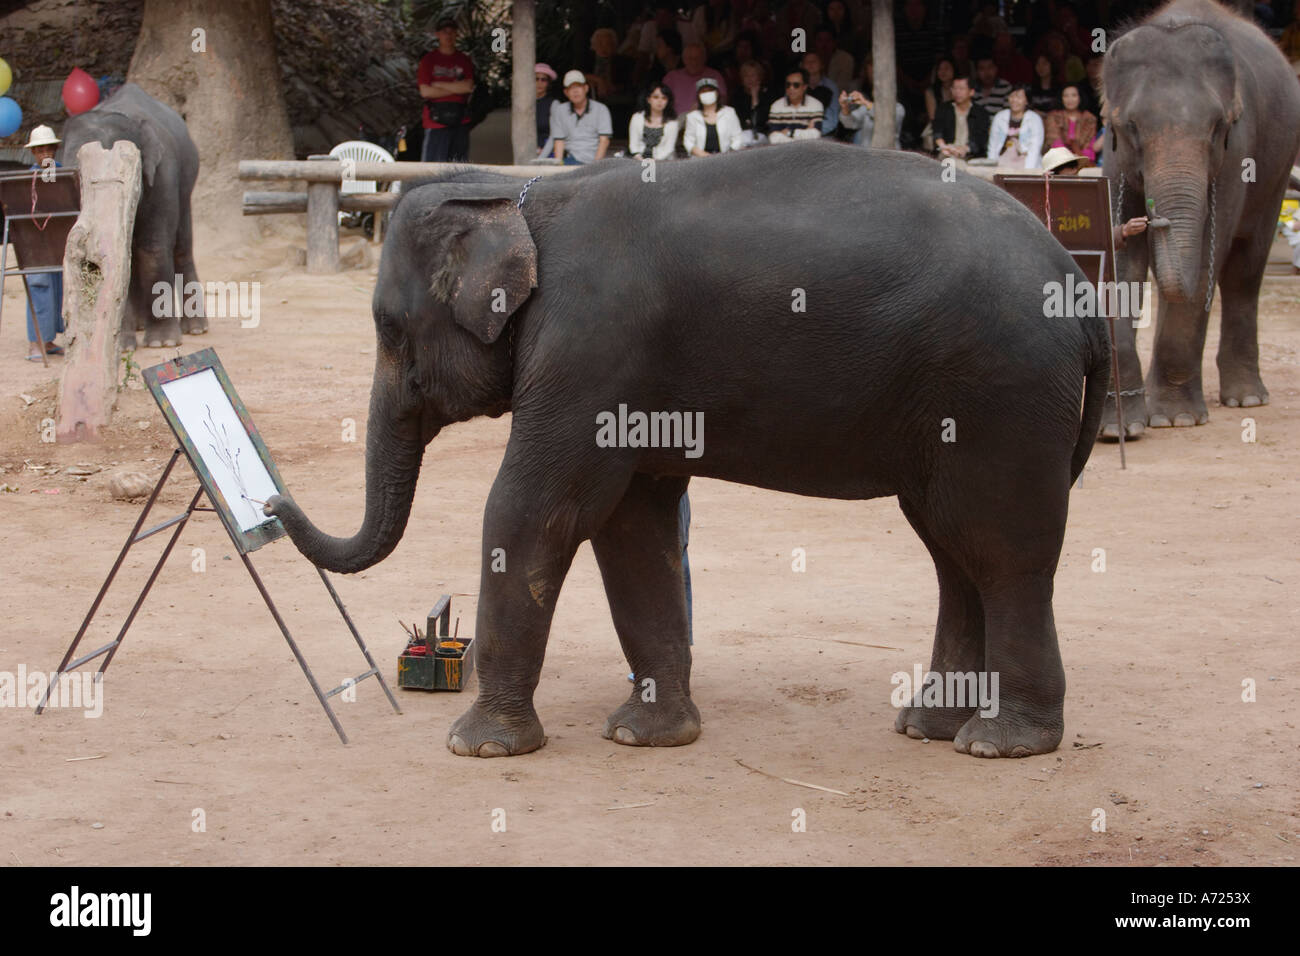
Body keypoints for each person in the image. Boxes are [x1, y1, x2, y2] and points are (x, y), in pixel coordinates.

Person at [21, 125, 65, 361]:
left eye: (49, 149)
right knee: (39, 286)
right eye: (40, 150)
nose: (45, 154)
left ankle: (48, 340)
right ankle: (35, 342)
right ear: (33, 153)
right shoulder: (26, 178)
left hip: (57, 239)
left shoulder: (63, 173)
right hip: (36, 242)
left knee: (57, 287)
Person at [417, 16, 475, 162]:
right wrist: (457, 88)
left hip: (460, 119)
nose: (448, 35)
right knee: (431, 169)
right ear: (437, 34)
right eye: (444, 31)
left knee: (458, 168)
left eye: (451, 31)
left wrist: (438, 84)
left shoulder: (464, 60)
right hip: (435, 121)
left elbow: (468, 87)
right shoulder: (428, 60)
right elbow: (425, 91)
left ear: (456, 34)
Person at [550, 70, 612, 165]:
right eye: (571, 88)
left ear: (586, 88)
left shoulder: (601, 109)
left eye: (578, 86)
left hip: (594, 160)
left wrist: (595, 167)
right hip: (570, 159)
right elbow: (559, 141)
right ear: (566, 92)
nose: (575, 91)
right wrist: (558, 166)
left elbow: (604, 141)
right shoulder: (560, 110)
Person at [664, 42, 727, 123]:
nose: (694, 62)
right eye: (690, 58)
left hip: (705, 121)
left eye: (698, 58)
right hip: (676, 122)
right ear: (684, 59)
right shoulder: (672, 77)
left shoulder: (714, 75)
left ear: (704, 59)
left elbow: (723, 100)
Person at [933, 75, 989, 160]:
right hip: (947, 152)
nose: (957, 92)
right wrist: (944, 147)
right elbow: (937, 132)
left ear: (971, 92)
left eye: (961, 89)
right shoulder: (943, 109)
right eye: (954, 88)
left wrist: (965, 149)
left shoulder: (981, 112)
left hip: (971, 155)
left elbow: (981, 138)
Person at [987, 85, 1044, 169]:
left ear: (1027, 101)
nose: (1014, 100)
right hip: (1001, 163)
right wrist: (991, 168)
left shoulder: (1034, 119)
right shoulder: (999, 117)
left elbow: (1035, 148)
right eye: (1012, 96)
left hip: (1026, 163)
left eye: (1019, 97)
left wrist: (1028, 172)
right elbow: (993, 144)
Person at [683, 76, 743, 154]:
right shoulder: (692, 117)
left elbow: (738, 137)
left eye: (710, 90)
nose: (707, 93)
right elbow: (688, 141)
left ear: (717, 93)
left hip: (727, 157)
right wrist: (702, 155)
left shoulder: (729, 112)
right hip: (701, 160)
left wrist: (729, 153)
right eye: (703, 91)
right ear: (698, 95)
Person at [766, 67, 824, 144]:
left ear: (804, 87)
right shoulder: (776, 106)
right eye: (788, 85)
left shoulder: (816, 105)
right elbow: (773, 138)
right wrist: (804, 133)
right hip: (783, 151)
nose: (791, 88)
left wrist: (789, 133)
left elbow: (816, 135)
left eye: (796, 85)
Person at [838, 83, 906, 149]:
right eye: (876, 89)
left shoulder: (898, 108)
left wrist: (865, 102)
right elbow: (849, 123)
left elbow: (885, 119)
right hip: (867, 154)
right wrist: (845, 107)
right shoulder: (867, 107)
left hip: (889, 155)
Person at [1044, 83, 1097, 166]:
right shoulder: (1054, 117)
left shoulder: (1089, 118)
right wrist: (1069, 158)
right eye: (1066, 96)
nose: (1070, 99)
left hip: (1084, 163)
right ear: (1061, 98)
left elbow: (1089, 146)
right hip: (1059, 163)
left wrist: (1079, 158)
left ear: (1080, 98)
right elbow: (1054, 141)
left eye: (1074, 95)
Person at [629, 83, 680, 160]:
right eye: (656, 97)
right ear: (648, 99)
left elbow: (669, 148)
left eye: (664, 98)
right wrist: (638, 157)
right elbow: (633, 143)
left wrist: (654, 161)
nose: (660, 101)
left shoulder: (673, 122)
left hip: (664, 162)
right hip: (638, 160)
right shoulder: (637, 117)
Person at [733, 59, 772, 145]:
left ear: (760, 77)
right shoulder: (737, 96)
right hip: (743, 136)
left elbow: (760, 122)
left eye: (753, 75)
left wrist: (755, 98)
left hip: (764, 135)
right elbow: (741, 120)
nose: (749, 79)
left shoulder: (767, 94)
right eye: (746, 76)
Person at [801, 51, 839, 135]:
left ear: (822, 65)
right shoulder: (795, 84)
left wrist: (813, 132)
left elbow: (832, 118)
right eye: (807, 61)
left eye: (814, 61)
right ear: (802, 66)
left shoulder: (831, 86)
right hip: (799, 134)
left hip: (824, 134)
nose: (810, 64)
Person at [534, 63, 558, 157]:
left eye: (543, 80)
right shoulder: (524, 104)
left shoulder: (554, 104)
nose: (539, 82)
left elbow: (555, 134)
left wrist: (542, 155)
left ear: (548, 83)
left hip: (548, 152)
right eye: (536, 79)